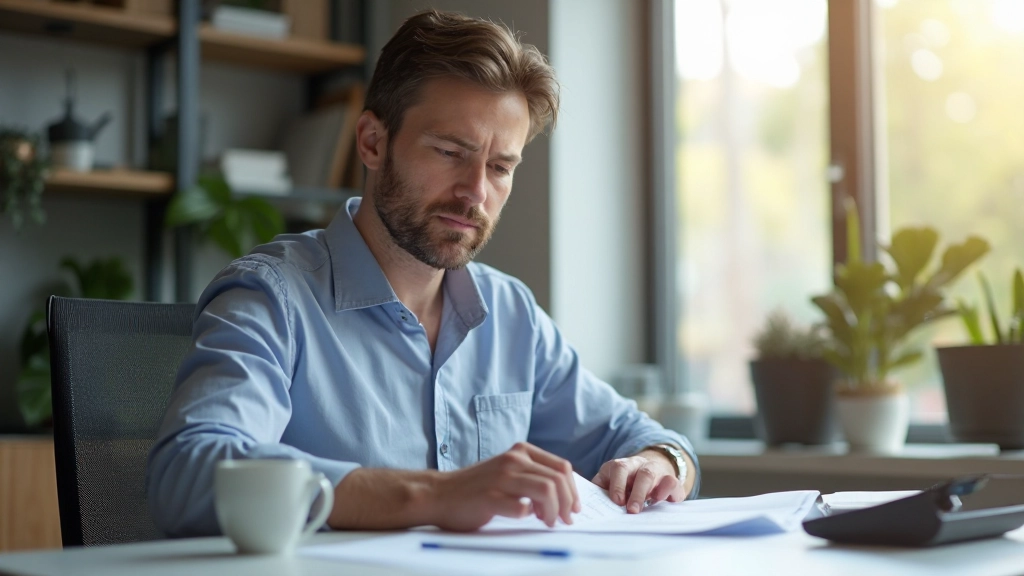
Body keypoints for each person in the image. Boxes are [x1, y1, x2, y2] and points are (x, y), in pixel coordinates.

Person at [146, 8, 700, 537]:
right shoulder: (271, 297)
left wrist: (659, 461)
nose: (475, 192)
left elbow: (643, 438)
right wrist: (431, 495)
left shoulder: (512, 316)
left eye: (501, 167)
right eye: (449, 152)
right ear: (372, 142)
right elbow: (189, 472)